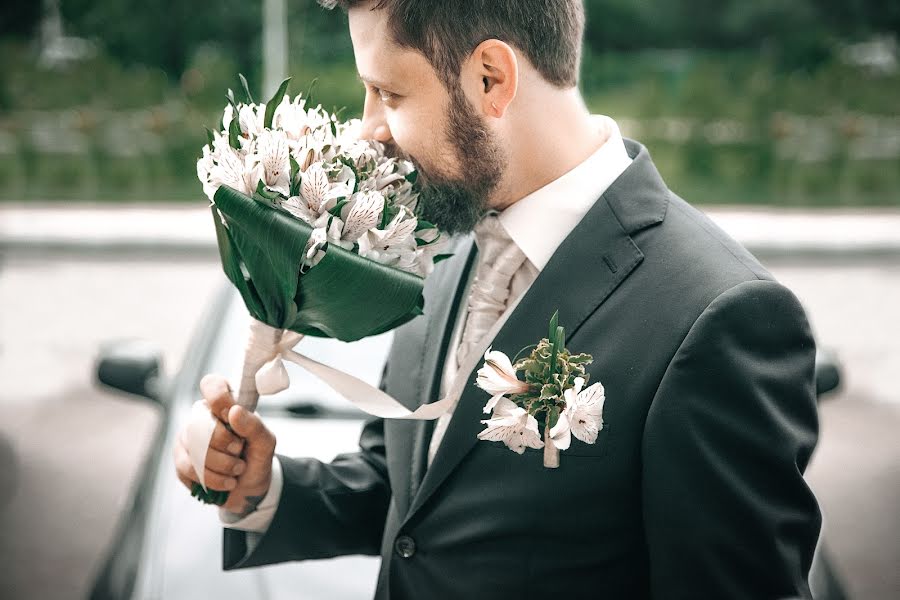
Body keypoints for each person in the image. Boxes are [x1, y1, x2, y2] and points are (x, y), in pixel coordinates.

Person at [173, 1, 822, 598]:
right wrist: (265, 489)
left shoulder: (720, 316)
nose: (369, 130)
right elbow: (415, 497)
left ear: (491, 78)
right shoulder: (444, 234)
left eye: (388, 93)